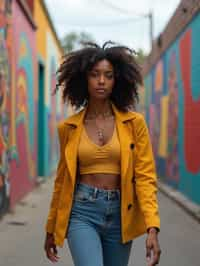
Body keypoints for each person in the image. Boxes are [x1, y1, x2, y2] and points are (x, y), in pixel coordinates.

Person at [44, 41, 161, 266]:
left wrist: (152, 227)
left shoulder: (134, 124)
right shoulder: (69, 128)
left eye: (108, 75)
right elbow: (61, 182)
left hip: (121, 214)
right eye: (94, 74)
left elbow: (145, 178)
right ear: (83, 79)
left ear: (116, 80)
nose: (101, 81)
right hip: (82, 211)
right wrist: (51, 228)